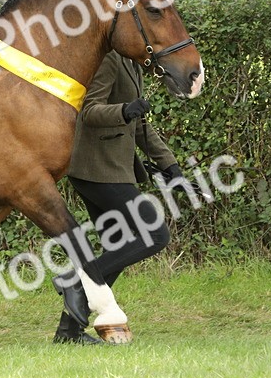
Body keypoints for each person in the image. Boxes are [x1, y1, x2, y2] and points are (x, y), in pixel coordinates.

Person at [53, 50, 189, 344]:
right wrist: (124, 109)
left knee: (119, 248)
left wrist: (170, 166)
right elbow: (89, 110)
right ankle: (74, 282)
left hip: (108, 170)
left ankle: (68, 333)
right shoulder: (109, 59)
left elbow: (140, 126)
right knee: (155, 234)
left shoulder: (133, 64)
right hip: (96, 169)